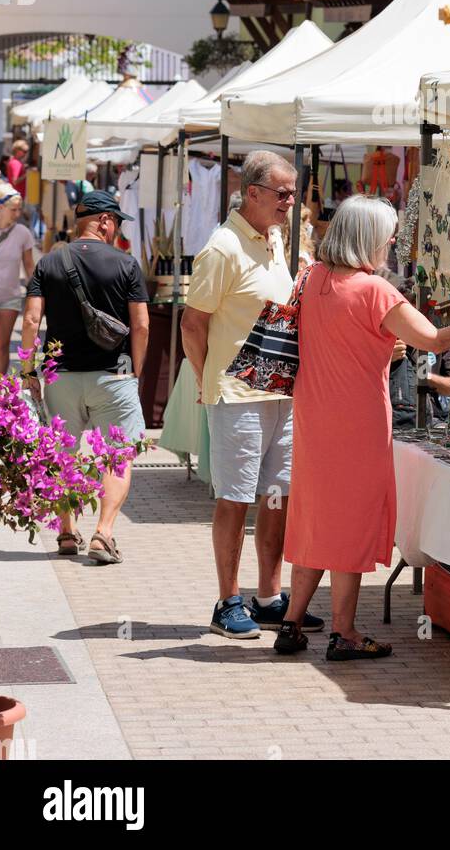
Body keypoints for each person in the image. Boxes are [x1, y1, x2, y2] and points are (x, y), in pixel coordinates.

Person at [274, 195, 450, 660]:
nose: (393, 241)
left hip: (313, 419)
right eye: (389, 234)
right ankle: (344, 633)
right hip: (358, 424)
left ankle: (291, 624)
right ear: (370, 237)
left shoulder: (311, 278)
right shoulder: (376, 291)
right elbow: (432, 339)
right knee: (349, 526)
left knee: (316, 520)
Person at [181, 150, 324, 641]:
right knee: (235, 500)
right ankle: (228, 601)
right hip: (237, 395)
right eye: (283, 193)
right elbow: (192, 324)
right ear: (254, 193)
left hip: (279, 394)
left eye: (294, 192)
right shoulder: (223, 247)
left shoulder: (276, 239)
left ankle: (268, 597)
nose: (291, 200)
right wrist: (206, 382)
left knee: (277, 496)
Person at [21, 191, 150, 563]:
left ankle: (65, 531)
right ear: (105, 221)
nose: (117, 230)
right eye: (117, 223)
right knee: (118, 456)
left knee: (61, 455)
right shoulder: (126, 264)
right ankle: (103, 533)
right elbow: (140, 325)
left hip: (61, 376)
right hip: (114, 376)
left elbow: (31, 320)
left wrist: (30, 371)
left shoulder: (49, 263)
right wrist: (137, 371)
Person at [0, 183, 34, 375]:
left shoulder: (22, 233)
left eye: (19, 209)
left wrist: (35, 292)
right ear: (0, 208)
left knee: (2, 345)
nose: (17, 214)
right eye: (13, 209)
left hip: (9, 296)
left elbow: (28, 265)